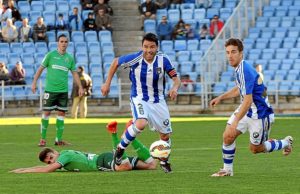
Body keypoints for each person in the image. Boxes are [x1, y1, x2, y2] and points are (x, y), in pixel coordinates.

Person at [210, 38, 293, 177]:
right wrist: (220, 97)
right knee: (228, 136)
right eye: (227, 52)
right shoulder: (239, 68)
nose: (230, 55)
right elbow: (239, 89)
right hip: (248, 109)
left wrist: (236, 120)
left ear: (241, 53)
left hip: (260, 114)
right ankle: (227, 170)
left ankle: (285, 142)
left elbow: (248, 100)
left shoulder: (245, 69)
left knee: (255, 149)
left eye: (233, 52)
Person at [101, 33, 181, 173]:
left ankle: (164, 161)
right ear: (142, 47)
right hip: (139, 98)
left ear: (157, 47)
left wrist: (175, 88)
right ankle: (120, 149)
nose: (149, 50)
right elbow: (115, 62)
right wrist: (107, 83)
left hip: (158, 101)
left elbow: (176, 78)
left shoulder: (163, 60)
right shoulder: (135, 59)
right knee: (140, 122)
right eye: (145, 47)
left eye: (152, 47)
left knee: (165, 136)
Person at [11, 121, 157, 173]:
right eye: (49, 161)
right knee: (152, 165)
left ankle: (114, 134)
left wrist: (23, 171)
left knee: (123, 168)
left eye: (50, 157)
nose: (51, 161)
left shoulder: (63, 156)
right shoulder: (64, 154)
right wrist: (24, 168)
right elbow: (44, 167)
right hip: (106, 158)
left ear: (55, 151)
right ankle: (132, 137)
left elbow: (46, 170)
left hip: (101, 162)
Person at [31, 34, 84, 147]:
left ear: (67, 43)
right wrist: (34, 82)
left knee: (61, 114)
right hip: (50, 91)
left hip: (63, 91)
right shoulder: (50, 55)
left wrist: (80, 87)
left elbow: (74, 73)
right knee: (46, 113)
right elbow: (40, 69)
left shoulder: (69, 58)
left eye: (65, 42)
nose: (63, 43)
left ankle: (58, 139)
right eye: (61, 41)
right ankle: (43, 139)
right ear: (57, 43)